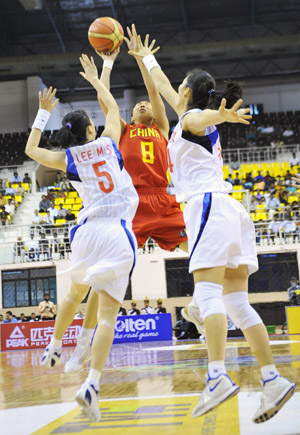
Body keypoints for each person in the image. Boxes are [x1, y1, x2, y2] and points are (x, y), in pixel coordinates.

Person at [129, 30, 295, 422]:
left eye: (181, 87)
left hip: (207, 207)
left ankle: (217, 376)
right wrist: (143, 58)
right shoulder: (188, 113)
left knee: (206, 294)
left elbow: (198, 114)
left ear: (189, 92)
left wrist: (219, 113)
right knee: (236, 301)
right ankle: (272, 379)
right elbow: (166, 87)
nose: (177, 90)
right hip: (231, 210)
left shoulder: (193, 118)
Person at [65, 25, 199, 374]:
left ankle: (200, 305)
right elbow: (106, 102)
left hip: (164, 202)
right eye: (137, 103)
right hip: (131, 206)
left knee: (202, 247)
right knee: (105, 281)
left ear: (153, 115)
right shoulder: (122, 129)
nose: (141, 103)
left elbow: (155, 90)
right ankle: (83, 342)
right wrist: (102, 73)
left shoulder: (159, 128)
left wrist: (142, 60)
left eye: (145, 104)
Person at [25, 54, 139, 422]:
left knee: (74, 294)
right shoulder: (109, 141)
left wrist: (43, 112)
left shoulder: (69, 156)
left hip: (86, 233)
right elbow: (110, 104)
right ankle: (91, 382)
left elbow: (30, 151)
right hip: (117, 230)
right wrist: (98, 74)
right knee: (107, 314)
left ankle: (55, 346)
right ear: (91, 129)